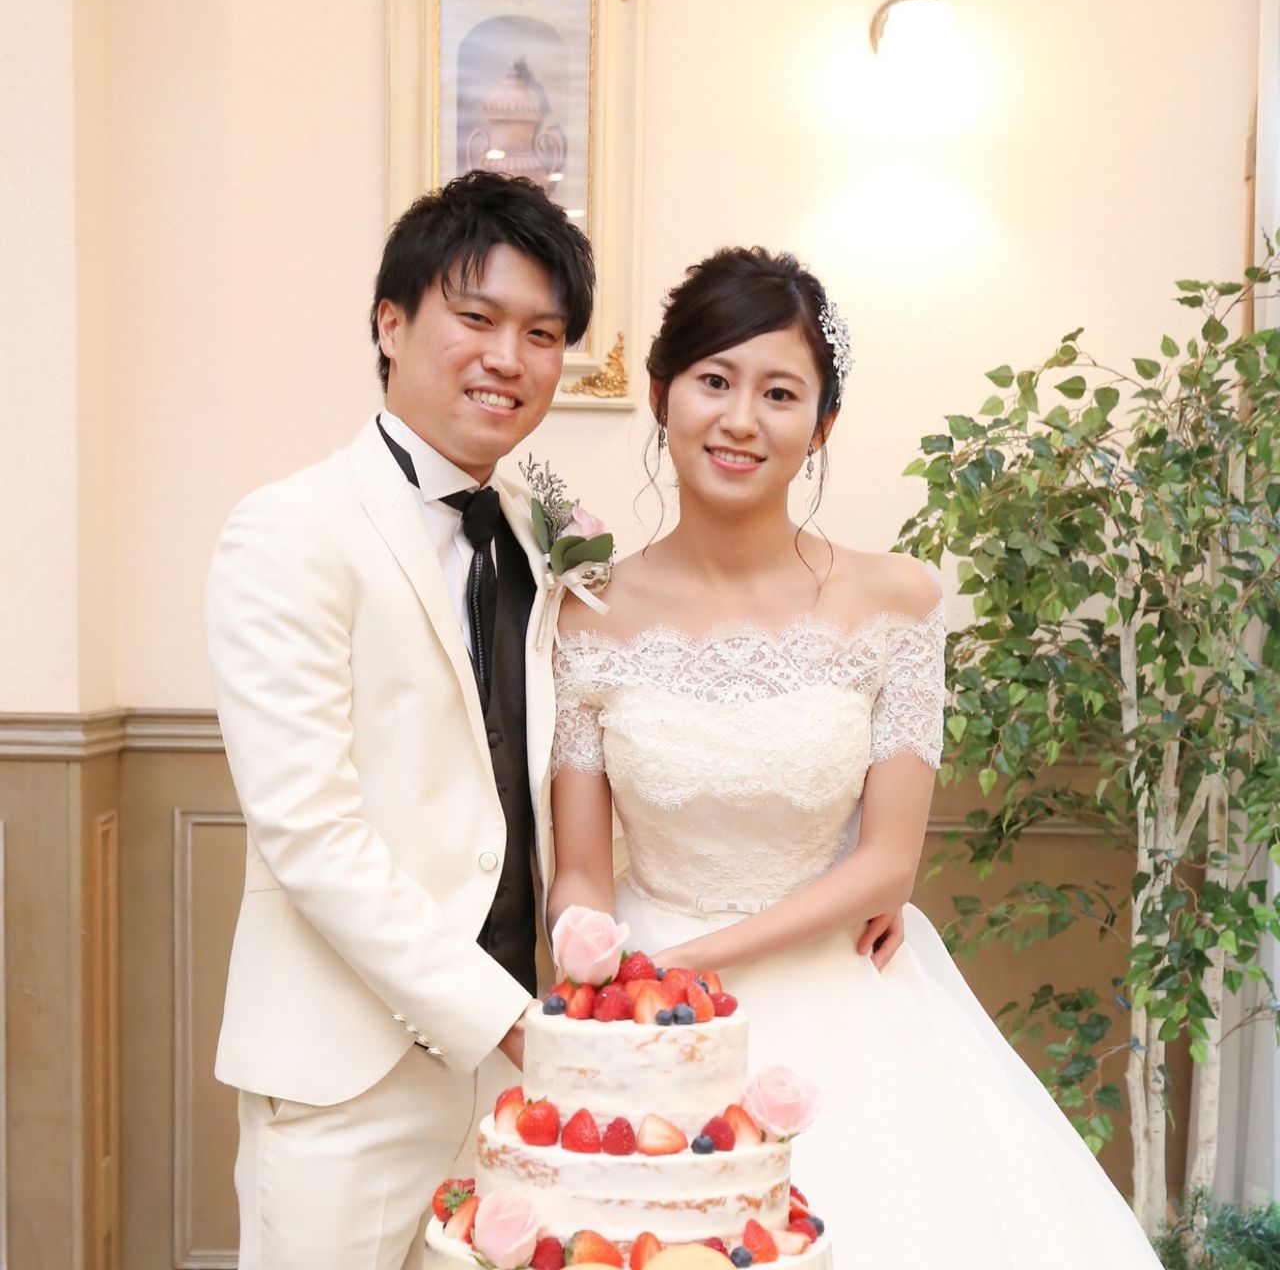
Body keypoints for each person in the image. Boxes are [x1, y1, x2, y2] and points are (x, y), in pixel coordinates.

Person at [547, 248, 1162, 1267]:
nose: (741, 419)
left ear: (821, 423)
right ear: (660, 395)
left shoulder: (896, 601)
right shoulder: (584, 613)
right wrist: (594, 967)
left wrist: (678, 969)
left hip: (834, 989)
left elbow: (886, 865)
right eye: (714, 380)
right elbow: (578, 863)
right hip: (643, 1014)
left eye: (779, 392)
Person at [205, 170, 594, 1270]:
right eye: (476, 317)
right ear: (390, 323)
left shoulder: (540, 534)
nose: (508, 357)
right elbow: (309, 830)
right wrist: (505, 1018)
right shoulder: (289, 529)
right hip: (346, 1083)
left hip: (511, 1085)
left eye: (542, 333)